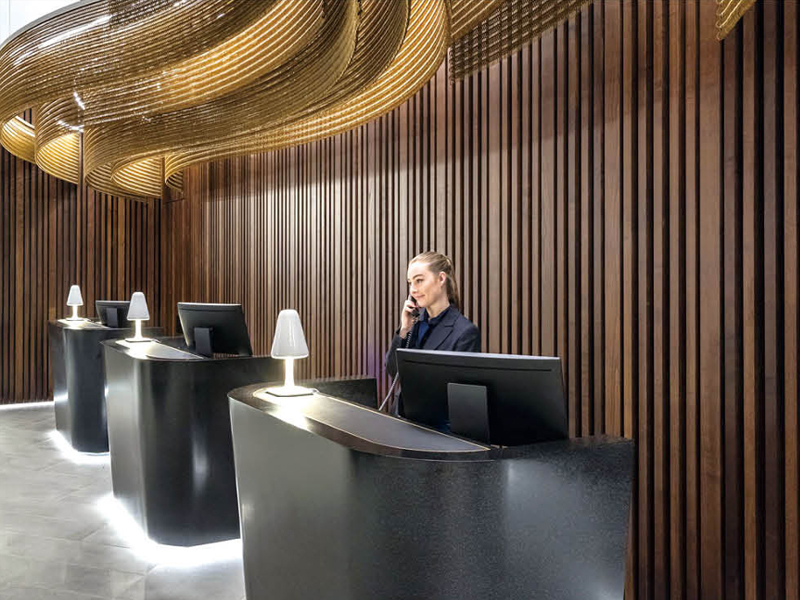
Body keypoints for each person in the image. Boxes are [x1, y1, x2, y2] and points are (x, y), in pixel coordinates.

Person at [384, 251, 480, 417]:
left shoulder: (465, 332)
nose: (413, 290)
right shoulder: (414, 322)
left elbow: (460, 396)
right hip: (399, 420)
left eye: (419, 280)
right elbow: (393, 371)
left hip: (433, 426)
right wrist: (404, 329)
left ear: (441, 279)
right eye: (410, 283)